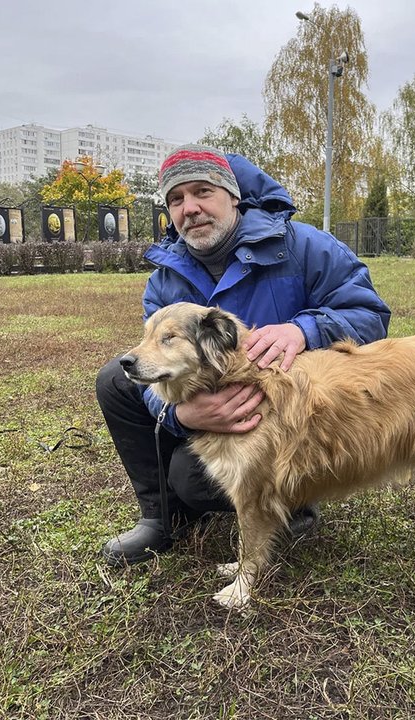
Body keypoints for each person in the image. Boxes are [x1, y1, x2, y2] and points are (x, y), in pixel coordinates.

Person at [96, 144, 392, 567]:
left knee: (193, 478)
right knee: (115, 379)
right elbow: (155, 367)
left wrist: (304, 329)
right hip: (206, 409)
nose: (190, 208)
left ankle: (293, 500)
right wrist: (179, 416)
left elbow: (370, 314)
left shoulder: (305, 246)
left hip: (289, 415)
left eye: (203, 192)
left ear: (233, 196)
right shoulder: (164, 279)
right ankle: (162, 517)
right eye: (176, 199)